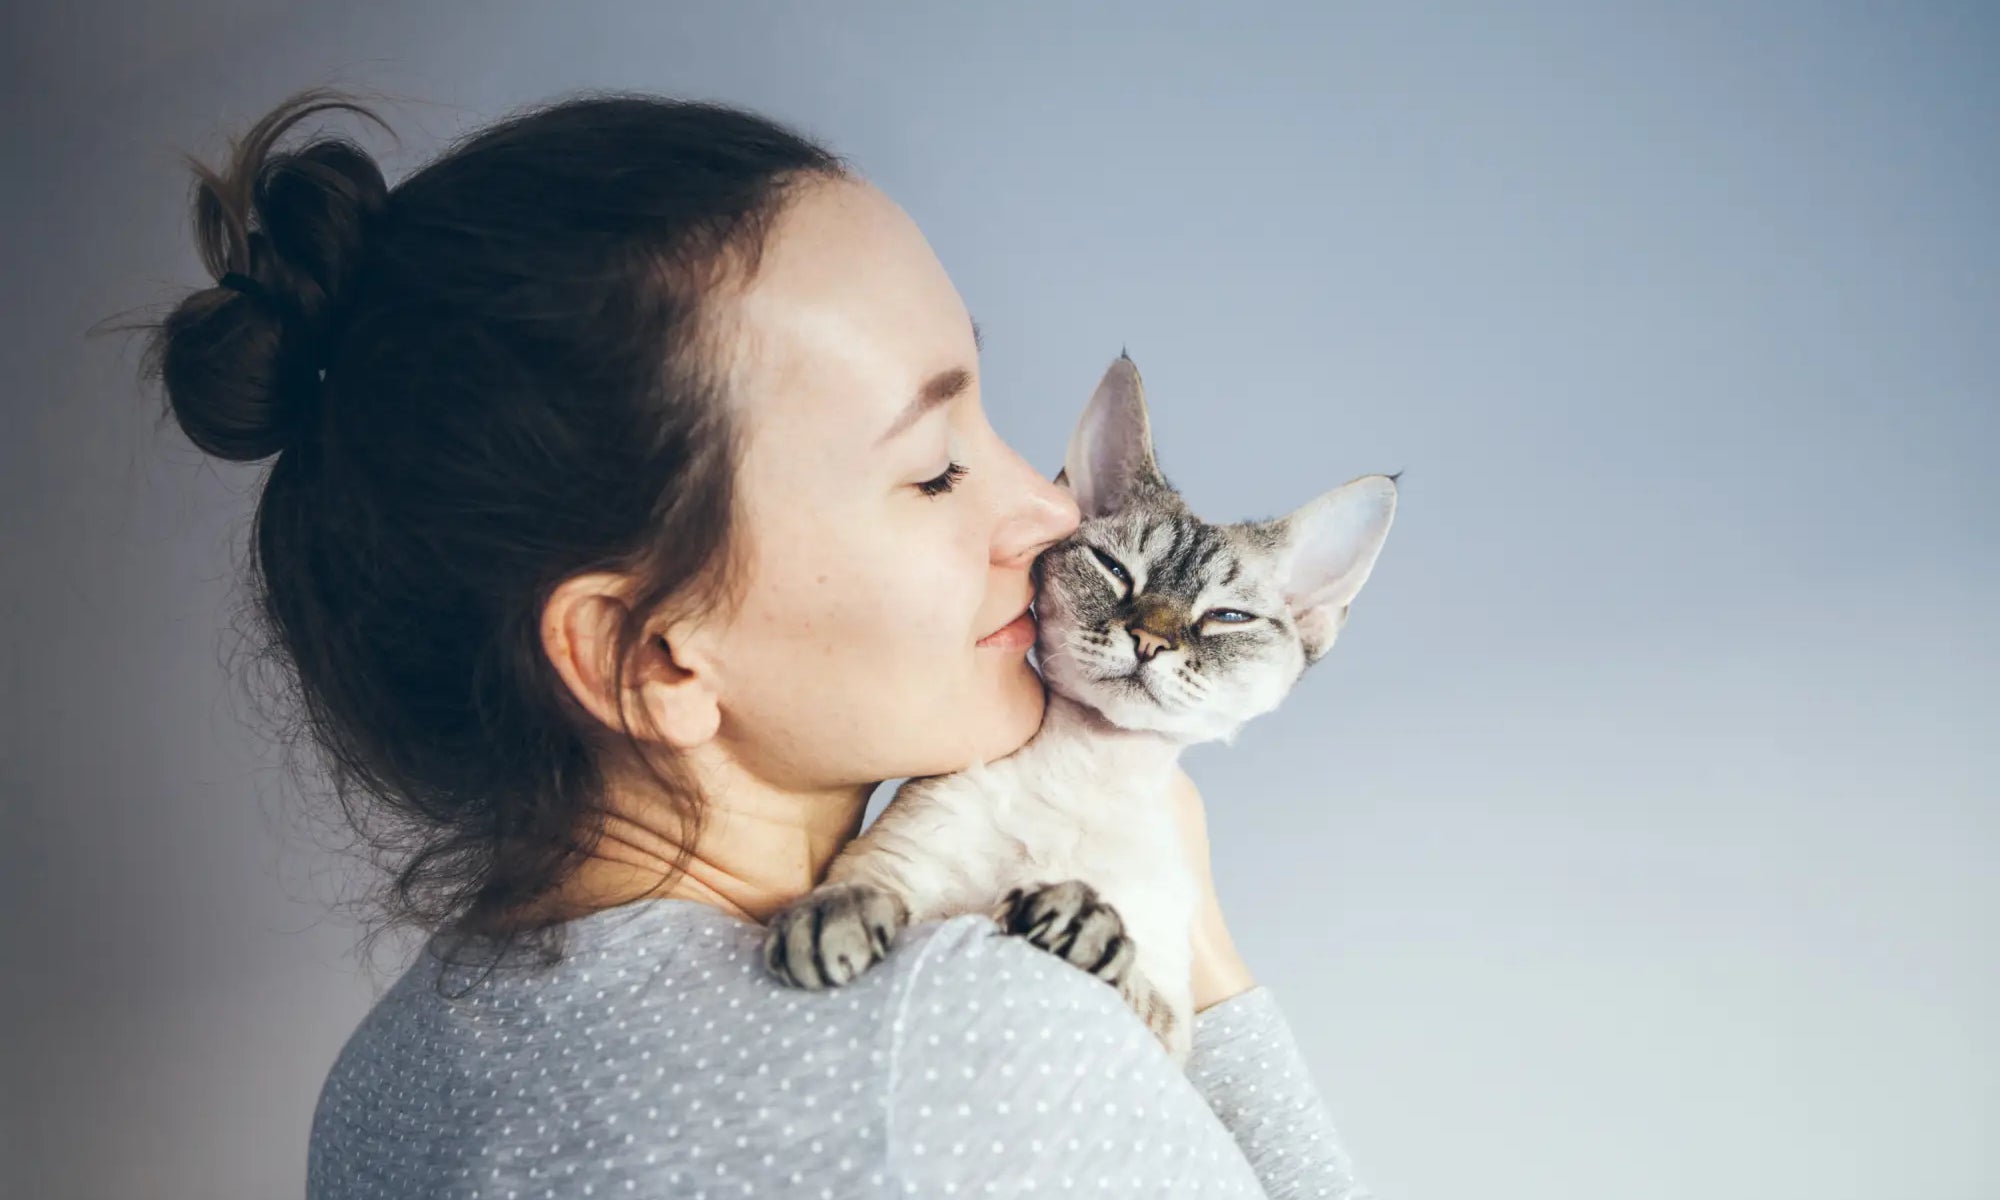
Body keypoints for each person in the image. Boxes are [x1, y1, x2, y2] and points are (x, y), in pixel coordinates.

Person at [144, 85, 1377, 1198]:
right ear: (652, 658)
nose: (1053, 513)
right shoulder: (966, 1044)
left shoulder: (383, 1087)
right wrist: (1201, 956)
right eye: (938, 468)